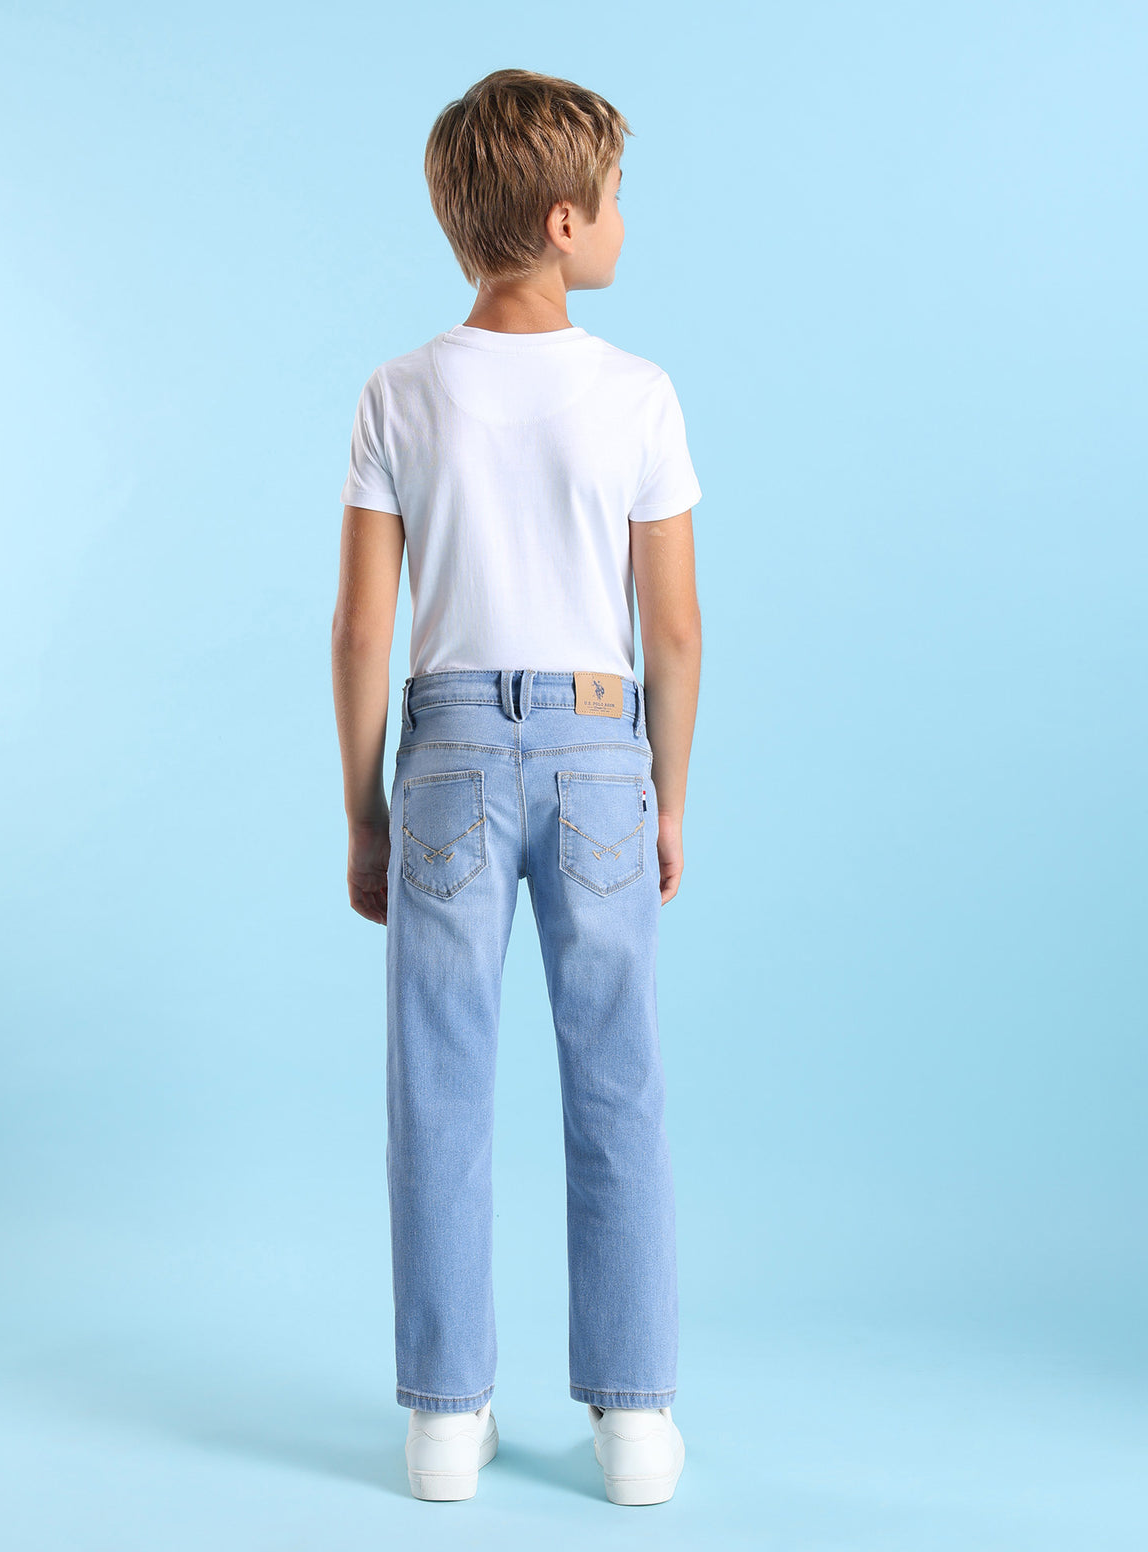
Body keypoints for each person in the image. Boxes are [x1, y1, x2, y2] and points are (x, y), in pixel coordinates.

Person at [330, 67, 703, 1506]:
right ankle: (636, 1423)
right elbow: (673, 629)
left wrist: (364, 811)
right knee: (618, 1081)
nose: (625, 223)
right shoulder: (639, 394)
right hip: (603, 747)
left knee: (438, 1084)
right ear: (562, 221)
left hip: (445, 758)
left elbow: (363, 629)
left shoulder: (398, 391)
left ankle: (445, 1421)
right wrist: (667, 795)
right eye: (614, 200)